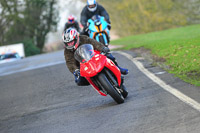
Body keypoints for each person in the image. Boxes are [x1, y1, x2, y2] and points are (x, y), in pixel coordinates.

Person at [62, 28, 128, 86]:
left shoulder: (83, 38)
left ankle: (118, 68)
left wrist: (102, 48)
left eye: (71, 42)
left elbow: (94, 43)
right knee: (79, 81)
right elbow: (69, 62)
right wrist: (75, 70)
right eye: (68, 43)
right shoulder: (67, 51)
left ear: (76, 38)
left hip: (92, 56)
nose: (70, 44)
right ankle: (96, 83)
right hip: (81, 65)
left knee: (108, 55)